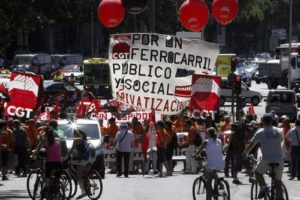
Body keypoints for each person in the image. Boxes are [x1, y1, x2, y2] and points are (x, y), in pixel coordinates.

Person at [243, 113, 284, 199]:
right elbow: (280, 141)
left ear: (263, 122)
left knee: (257, 173)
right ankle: (280, 196)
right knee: (278, 181)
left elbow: (252, 144)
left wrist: (245, 152)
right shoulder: (279, 131)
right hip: (279, 159)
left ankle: (264, 187)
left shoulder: (260, 132)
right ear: (272, 121)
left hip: (267, 159)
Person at [193, 127, 225, 200]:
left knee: (208, 181)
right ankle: (219, 184)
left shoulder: (206, 142)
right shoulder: (219, 141)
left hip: (211, 164)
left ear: (209, 134)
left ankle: (210, 196)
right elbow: (221, 151)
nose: (206, 134)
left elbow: (199, 151)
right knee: (213, 173)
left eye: (206, 133)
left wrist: (195, 155)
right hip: (221, 163)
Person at [34, 127, 62, 196]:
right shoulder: (58, 140)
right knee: (57, 177)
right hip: (59, 162)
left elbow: (38, 149)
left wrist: (33, 155)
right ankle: (57, 190)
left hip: (49, 162)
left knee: (48, 176)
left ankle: (47, 187)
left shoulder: (45, 140)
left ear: (46, 133)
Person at [69, 128, 95, 199]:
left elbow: (71, 151)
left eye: (73, 133)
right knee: (85, 173)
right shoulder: (85, 139)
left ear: (75, 133)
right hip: (91, 158)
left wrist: (68, 155)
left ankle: (84, 192)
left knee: (79, 175)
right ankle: (89, 188)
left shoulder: (76, 140)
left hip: (84, 159)